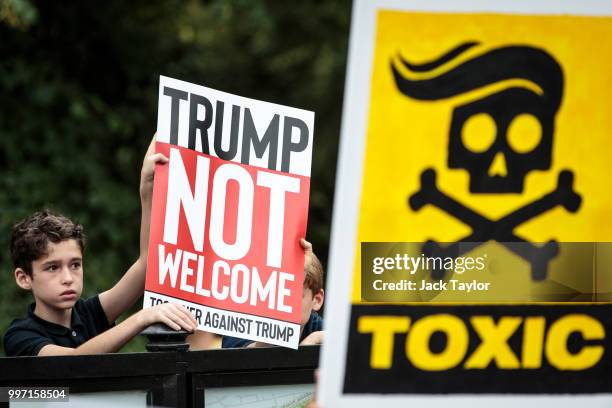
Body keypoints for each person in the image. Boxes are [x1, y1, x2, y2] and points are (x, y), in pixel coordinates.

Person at [3, 138, 197, 357]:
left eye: (75, 264)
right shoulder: (20, 335)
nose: (68, 277)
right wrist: (142, 318)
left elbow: (148, 264)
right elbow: (73, 363)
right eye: (52, 268)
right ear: (24, 278)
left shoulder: (89, 313)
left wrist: (147, 188)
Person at [221, 238, 324, 348]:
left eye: (292, 297)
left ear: (317, 300)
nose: (283, 304)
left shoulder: (315, 326)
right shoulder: (242, 324)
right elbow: (244, 358)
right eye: (274, 294)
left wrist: (315, 338)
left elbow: (342, 335)